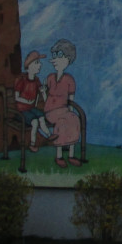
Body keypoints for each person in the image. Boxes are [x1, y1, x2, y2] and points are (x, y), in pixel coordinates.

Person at [42, 38, 82, 166]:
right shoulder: (49, 78)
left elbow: (71, 100)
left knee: (74, 119)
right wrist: (43, 93)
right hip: (50, 110)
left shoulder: (69, 80)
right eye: (54, 55)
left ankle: (71, 155)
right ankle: (59, 156)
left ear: (68, 60)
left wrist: (70, 110)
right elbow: (44, 97)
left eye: (59, 56)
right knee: (62, 121)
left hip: (64, 110)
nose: (55, 59)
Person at [13, 50, 48, 152]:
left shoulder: (36, 80)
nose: (40, 65)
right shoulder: (22, 80)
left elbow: (42, 92)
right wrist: (26, 101)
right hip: (22, 111)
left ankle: (50, 135)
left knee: (41, 117)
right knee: (35, 122)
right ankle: (32, 144)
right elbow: (16, 97)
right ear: (29, 65)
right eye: (37, 63)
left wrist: (44, 91)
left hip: (31, 109)